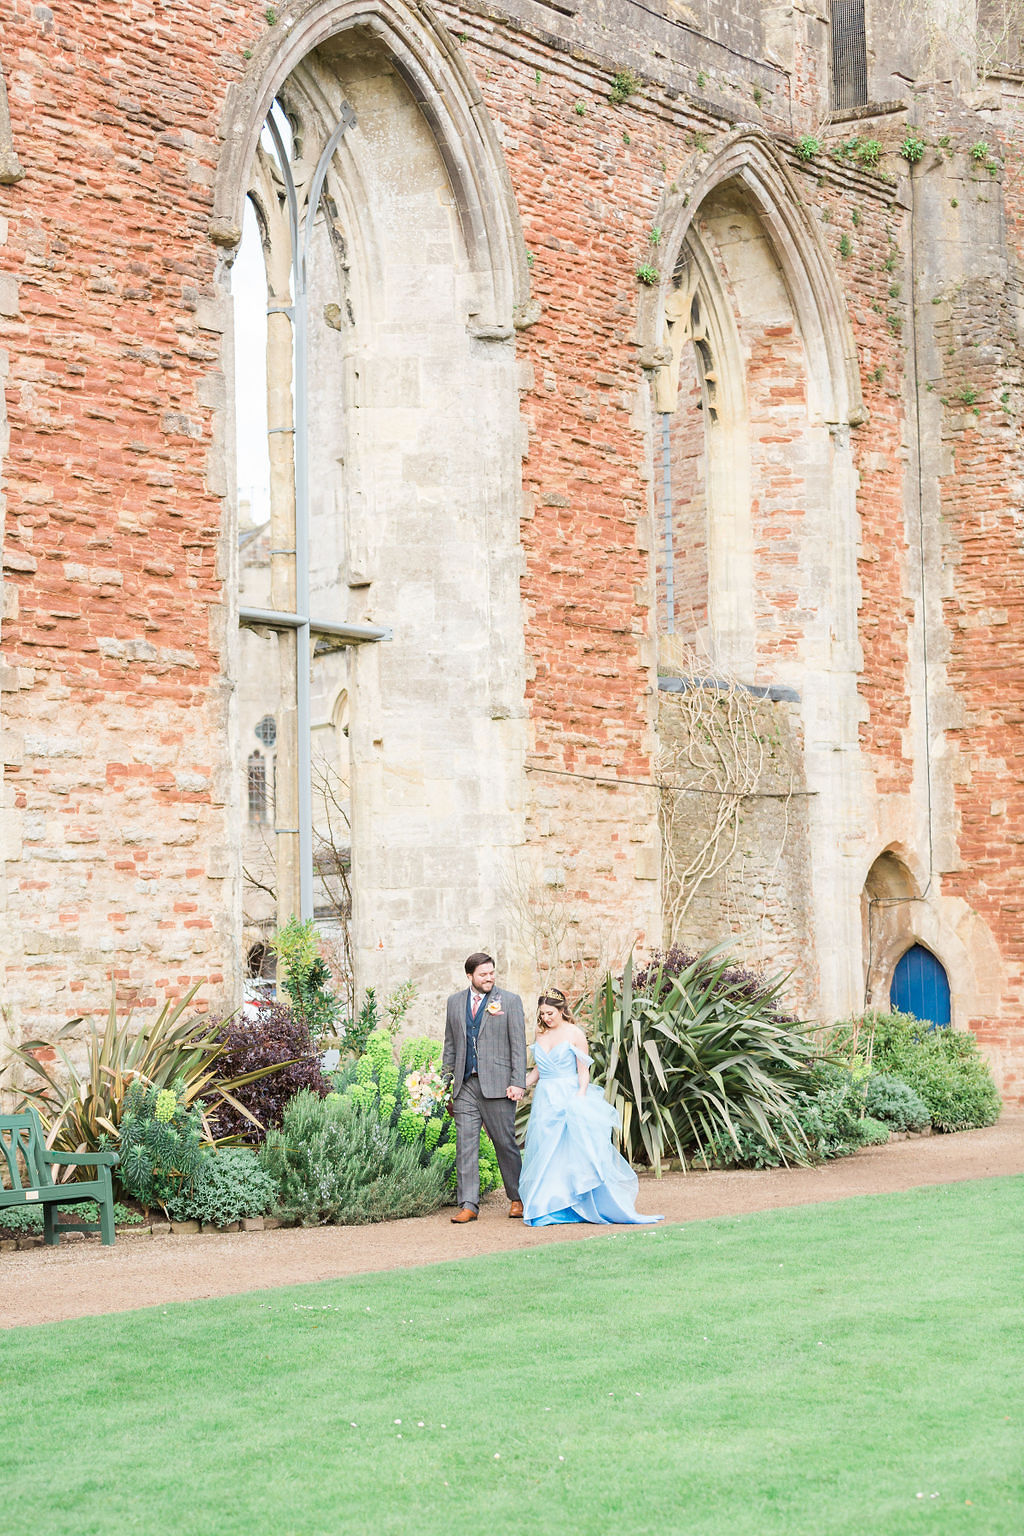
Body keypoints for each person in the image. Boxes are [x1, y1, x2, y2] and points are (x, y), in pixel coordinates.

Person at [519, 989, 663, 1228]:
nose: (546, 1018)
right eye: (543, 1014)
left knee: (569, 1151)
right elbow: (538, 1070)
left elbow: (583, 1071)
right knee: (546, 1151)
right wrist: (519, 1085)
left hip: (568, 1095)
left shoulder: (575, 1034)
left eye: (551, 1013)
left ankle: (574, 1204)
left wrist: (580, 1097)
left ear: (562, 1010)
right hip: (545, 1098)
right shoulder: (540, 1032)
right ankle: (547, 1205)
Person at [442, 951, 527, 1224]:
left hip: (499, 1086)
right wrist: (445, 1082)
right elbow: (451, 1044)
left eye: (492, 973)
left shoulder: (510, 1001)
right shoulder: (454, 1002)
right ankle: (468, 1204)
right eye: (483, 974)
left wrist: (518, 1082)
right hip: (465, 1085)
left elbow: (518, 1046)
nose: (489, 978)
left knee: (505, 1144)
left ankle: (517, 1197)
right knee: (465, 1145)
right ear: (470, 977)